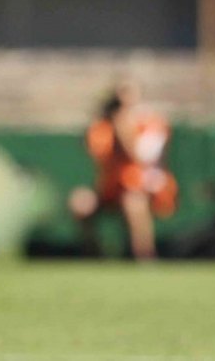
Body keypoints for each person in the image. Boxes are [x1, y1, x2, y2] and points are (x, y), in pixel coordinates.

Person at [66, 78, 177, 260]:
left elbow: (142, 157)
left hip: (141, 187)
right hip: (110, 189)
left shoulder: (150, 123)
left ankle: (145, 257)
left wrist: (124, 129)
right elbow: (95, 149)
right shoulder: (104, 127)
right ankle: (95, 255)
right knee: (80, 203)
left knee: (133, 201)